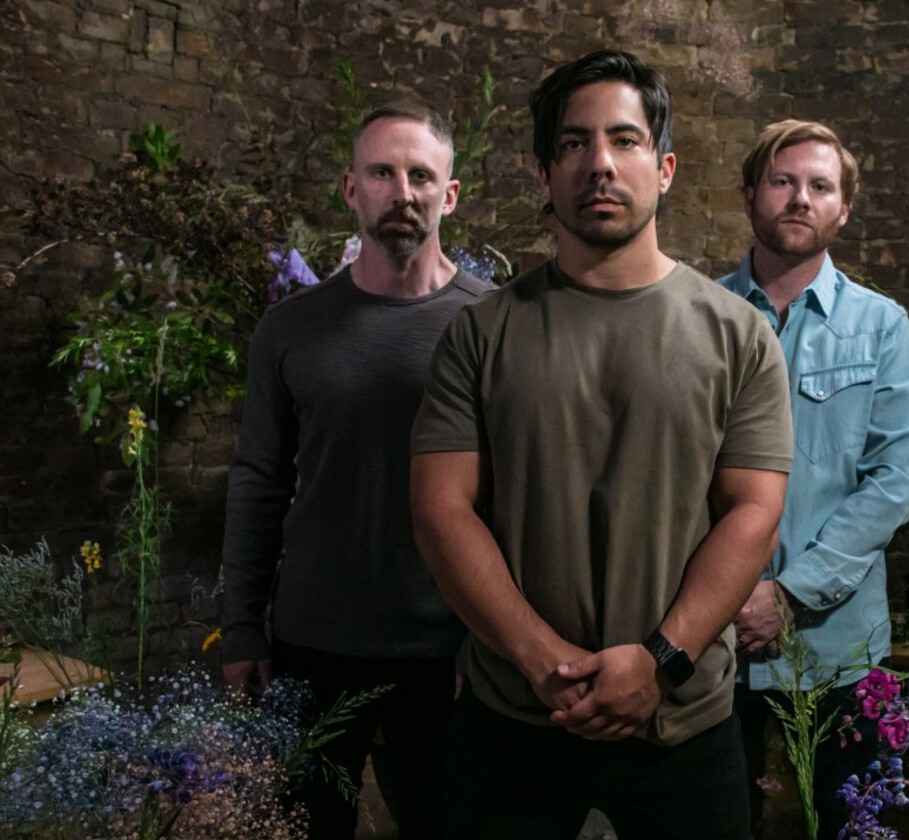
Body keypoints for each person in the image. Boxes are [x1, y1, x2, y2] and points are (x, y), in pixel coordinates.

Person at [409, 50, 792, 840]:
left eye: (624, 140)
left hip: (682, 720)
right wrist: (540, 659)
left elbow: (753, 514)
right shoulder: (482, 333)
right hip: (515, 716)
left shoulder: (738, 334)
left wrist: (660, 660)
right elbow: (442, 511)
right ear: (544, 172)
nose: (600, 164)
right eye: (574, 144)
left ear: (665, 167)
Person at [219, 101, 490, 838]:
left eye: (420, 176)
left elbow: (516, 497)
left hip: (443, 646)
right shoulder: (290, 328)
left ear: (449, 195)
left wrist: (492, 636)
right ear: (350, 189)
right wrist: (241, 627)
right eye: (382, 173)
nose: (402, 191)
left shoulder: (492, 325)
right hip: (314, 641)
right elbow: (258, 479)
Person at [716, 119, 909, 839]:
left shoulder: (882, 328)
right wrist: (726, 592)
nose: (800, 198)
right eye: (782, 181)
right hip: (713, 637)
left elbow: (893, 483)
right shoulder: (698, 316)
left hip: (836, 647)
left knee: (845, 826)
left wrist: (790, 593)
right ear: (750, 196)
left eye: (820, 186)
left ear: (844, 209)